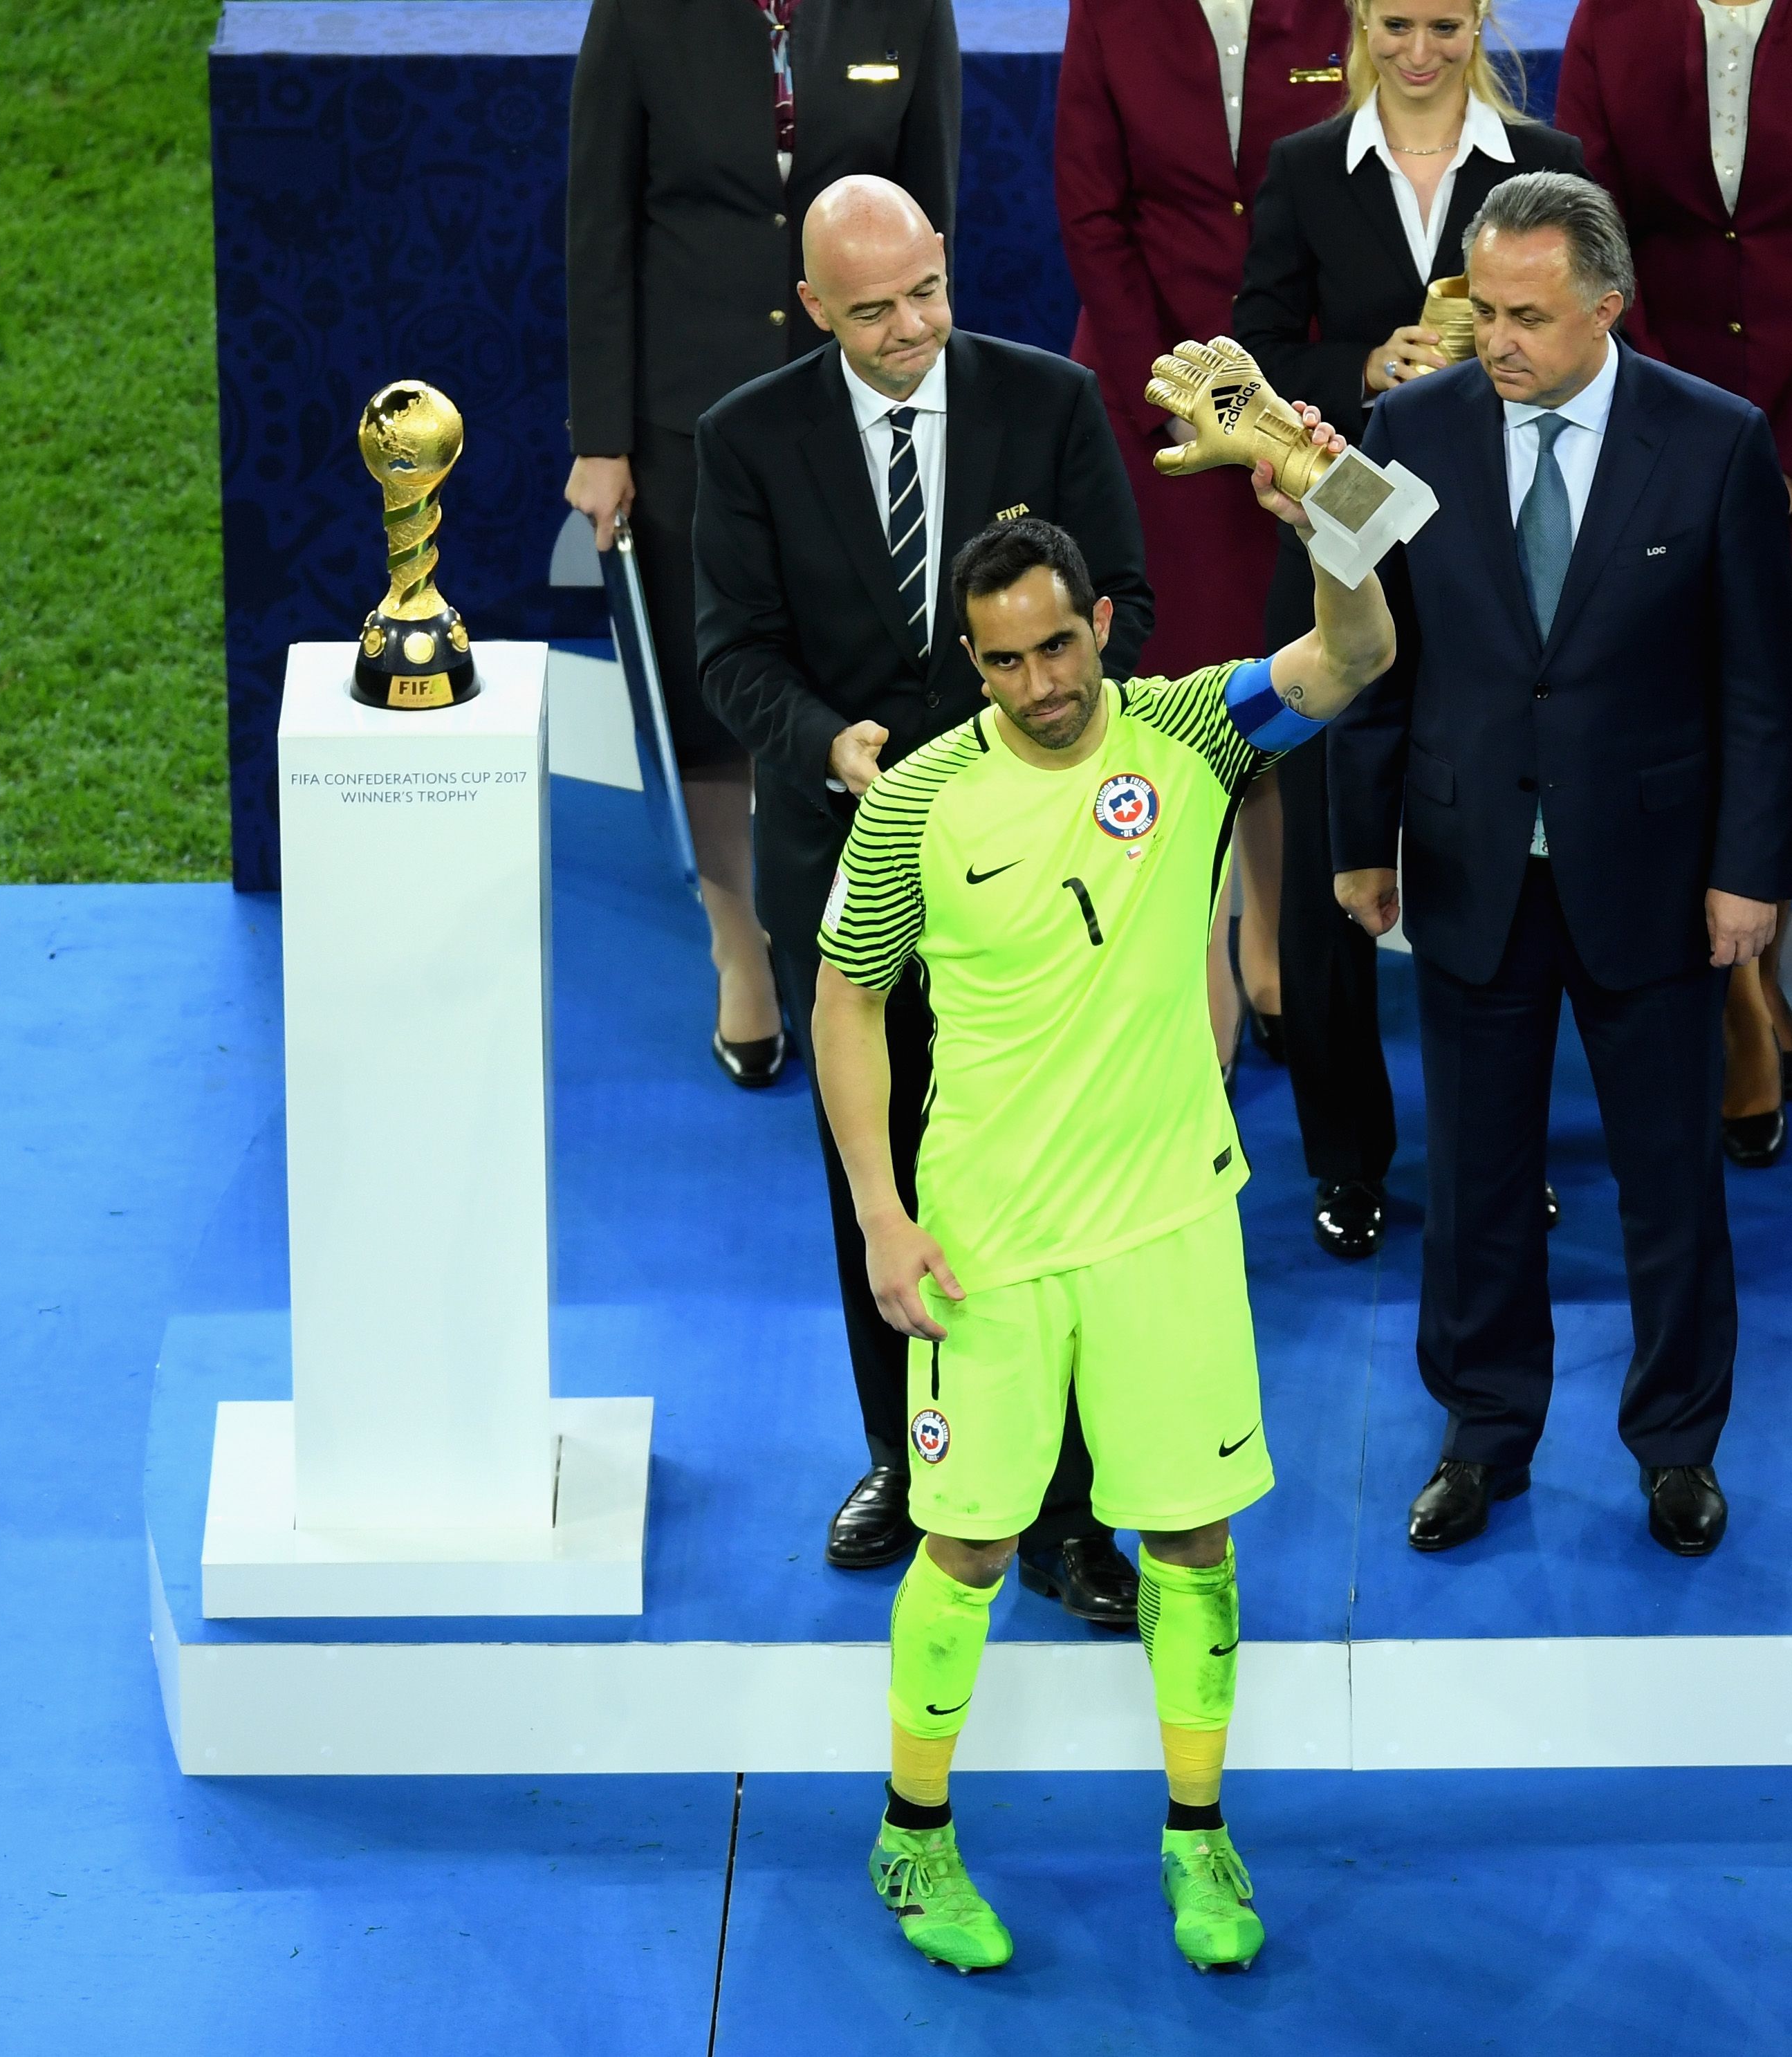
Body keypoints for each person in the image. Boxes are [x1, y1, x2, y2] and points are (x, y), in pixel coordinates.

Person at [811, 474, 1398, 1972]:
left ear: (1104, 625)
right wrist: (884, 1216)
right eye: (1002, 660)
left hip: (1168, 1225)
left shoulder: (1192, 731)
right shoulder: (919, 801)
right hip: (988, 1240)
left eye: (1058, 647)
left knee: (1188, 1533)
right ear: (970, 657)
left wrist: (1331, 507)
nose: (1039, 683)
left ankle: (1200, 1837)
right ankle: (912, 1835)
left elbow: (1357, 654)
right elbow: (846, 1000)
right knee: (970, 1543)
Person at [694, 178, 1155, 1609]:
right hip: (846, 857)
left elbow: (1120, 596)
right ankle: (910, 1450)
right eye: (874, 308)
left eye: (927, 294)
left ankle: (1074, 1511)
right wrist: (828, 740)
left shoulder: (1054, 402)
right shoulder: (746, 439)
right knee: (875, 1168)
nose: (910, 329)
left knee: (1046, 1178)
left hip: (1034, 878)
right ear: (814, 306)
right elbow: (733, 652)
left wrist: (1031, 738)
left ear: (949, 268)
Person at [1330, 172, 1792, 1560]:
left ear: (1609, 305)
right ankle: (1483, 1434)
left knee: (1670, 1179)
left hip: (1652, 874)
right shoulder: (1401, 429)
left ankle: (1676, 1446)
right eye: (1484, 311)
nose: (1499, 341)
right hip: (1469, 865)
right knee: (1475, 1176)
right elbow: (1366, 655)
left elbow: (1759, 690)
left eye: (1530, 316)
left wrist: (1745, 872)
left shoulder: (1716, 442)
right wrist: (1362, 841)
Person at [1235, 0, 1583, 1257]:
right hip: (1344, 562)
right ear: (1358, 20)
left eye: (1445, 22)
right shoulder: (1295, 170)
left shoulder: (1550, 164)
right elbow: (1258, 350)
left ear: (1482, 18)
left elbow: (1600, 346)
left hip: (1505, 569)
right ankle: (1345, 1157)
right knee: (1335, 871)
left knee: (1508, 881)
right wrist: (1358, 372)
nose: (1421, 48)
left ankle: (1502, 1153)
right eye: (1397, 22)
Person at [1551, 0, 1792, 1168]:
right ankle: (1740, 1005)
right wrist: (1667, 437)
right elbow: (1584, 229)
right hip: (1649, 432)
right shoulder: (1609, 20)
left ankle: (1752, 966)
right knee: (1669, 714)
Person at [566, 0, 959, 1087]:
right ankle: (740, 945)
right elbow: (599, 222)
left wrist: (928, 396)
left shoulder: (907, 9)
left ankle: (855, 950)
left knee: (853, 680)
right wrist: (602, 440)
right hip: (685, 416)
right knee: (714, 703)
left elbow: (932, 218)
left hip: (857, 406)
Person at [1059, 0, 1349, 1070]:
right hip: (1154, 409)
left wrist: (1279, 400)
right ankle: (1202, 952)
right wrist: (1172, 395)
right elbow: (1091, 210)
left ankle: (1276, 936)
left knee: (1284, 683)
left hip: (1295, 401)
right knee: (1180, 692)